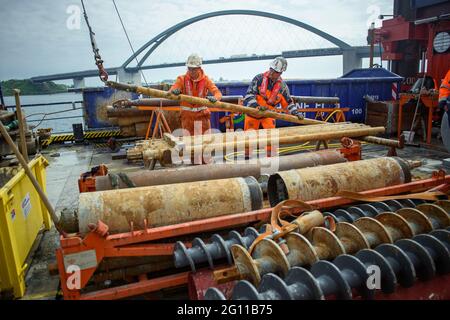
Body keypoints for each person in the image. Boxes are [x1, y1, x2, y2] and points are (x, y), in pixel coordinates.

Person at [243, 57, 302, 156]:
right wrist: (257, 106)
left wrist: (296, 113)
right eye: (271, 69)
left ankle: (270, 161)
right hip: (252, 115)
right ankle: (247, 160)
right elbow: (249, 96)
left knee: (271, 142)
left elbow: (288, 104)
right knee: (249, 142)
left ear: (280, 73)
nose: (271, 72)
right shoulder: (258, 79)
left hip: (268, 116)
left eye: (274, 71)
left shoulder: (282, 88)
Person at [169, 53, 222, 136]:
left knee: (205, 143)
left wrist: (215, 98)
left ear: (199, 68)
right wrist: (174, 92)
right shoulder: (181, 79)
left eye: (193, 69)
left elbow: (218, 93)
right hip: (187, 119)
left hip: (202, 117)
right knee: (189, 144)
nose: (191, 71)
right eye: (189, 69)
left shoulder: (206, 80)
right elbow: (172, 90)